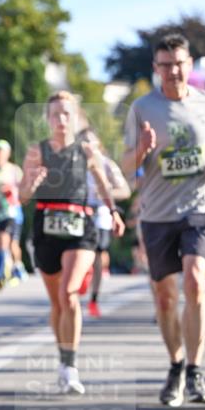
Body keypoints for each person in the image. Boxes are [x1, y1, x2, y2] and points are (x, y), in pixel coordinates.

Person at [122, 32, 205, 407]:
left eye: (179, 63)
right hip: (157, 215)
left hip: (198, 209)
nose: (173, 71)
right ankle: (175, 364)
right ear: (155, 69)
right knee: (164, 297)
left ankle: (194, 369)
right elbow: (125, 168)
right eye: (165, 65)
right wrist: (142, 149)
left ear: (189, 65)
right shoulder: (142, 108)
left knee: (194, 282)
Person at [20, 91, 125, 394]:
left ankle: (71, 365)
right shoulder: (36, 152)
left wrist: (114, 213)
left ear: (76, 117)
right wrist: (32, 183)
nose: (61, 120)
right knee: (57, 303)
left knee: (69, 294)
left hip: (80, 226)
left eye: (67, 114)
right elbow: (24, 194)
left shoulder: (88, 151)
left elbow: (104, 186)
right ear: (48, 119)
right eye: (55, 114)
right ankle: (63, 359)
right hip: (46, 226)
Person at [78, 128, 131, 318]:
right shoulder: (73, 164)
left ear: (98, 145)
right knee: (80, 252)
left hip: (101, 215)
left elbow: (124, 190)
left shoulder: (107, 164)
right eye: (82, 142)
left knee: (98, 255)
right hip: (79, 214)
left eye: (90, 141)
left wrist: (105, 195)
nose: (86, 146)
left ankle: (94, 297)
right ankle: (82, 278)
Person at [0, 139, 26, 290]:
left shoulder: (14, 170)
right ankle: (5, 269)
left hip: (11, 211)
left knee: (10, 242)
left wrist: (7, 188)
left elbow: (22, 191)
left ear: (7, 154)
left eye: (1, 151)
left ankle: (12, 268)